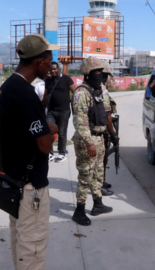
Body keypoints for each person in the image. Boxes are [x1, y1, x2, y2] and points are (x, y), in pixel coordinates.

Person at [0, 34, 59, 270]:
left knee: (21, 242)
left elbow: (22, 129)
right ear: (39, 61)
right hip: (30, 187)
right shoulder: (24, 93)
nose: (51, 66)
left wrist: (42, 126)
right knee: (32, 247)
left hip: (14, 179)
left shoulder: (8, 87)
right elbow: (44, 145)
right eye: (50, 61)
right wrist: (50, 129)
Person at [71, 56, 115, 226]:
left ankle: (98, 204)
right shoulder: (81, 93)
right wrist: (89, 143)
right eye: (98, 72)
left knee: (98, 174)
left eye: (102, 72)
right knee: (85, 176)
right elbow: (79, 122)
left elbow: (106, 112)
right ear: (88, 74)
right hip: (86, 141)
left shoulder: (100, 89)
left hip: (99, 138)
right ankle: (79, 210)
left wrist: (110, 133)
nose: (101, 75)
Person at [43, 62, 76, 163]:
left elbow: (75, 92)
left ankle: (61, 153)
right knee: (48, 131)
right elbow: (45, 95)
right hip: (51, 111)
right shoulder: (48, 80)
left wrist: (76, 106)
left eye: (54, 69)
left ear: (59, 69)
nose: (53, 71)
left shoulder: (66, 79)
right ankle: (50, 153)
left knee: (62, 133)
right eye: (51, 70)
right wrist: (41, 108)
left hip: (64, 111)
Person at [100, 61, 119, 193]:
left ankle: (101, 182)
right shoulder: (101, 90)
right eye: (105, 75)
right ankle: (99, 186)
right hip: (102, 130)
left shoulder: (98, 88)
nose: (106, 77)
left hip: (102, 129)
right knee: (101, 160)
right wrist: (113, 134)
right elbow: (107, 115)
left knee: (103, 158)